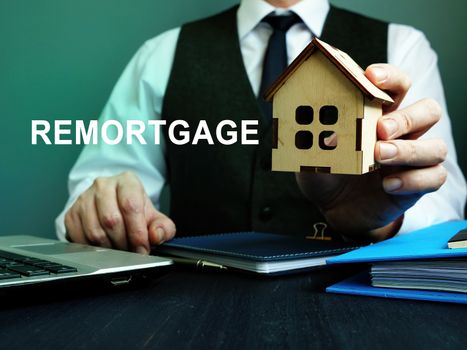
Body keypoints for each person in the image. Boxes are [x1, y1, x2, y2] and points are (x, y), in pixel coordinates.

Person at [56, 0, 466, 254]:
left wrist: (383, 221)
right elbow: (97, 190)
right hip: (187, 312)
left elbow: (445, 208)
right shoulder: (161, 54)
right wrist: (99, 208)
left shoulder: (403, 46)